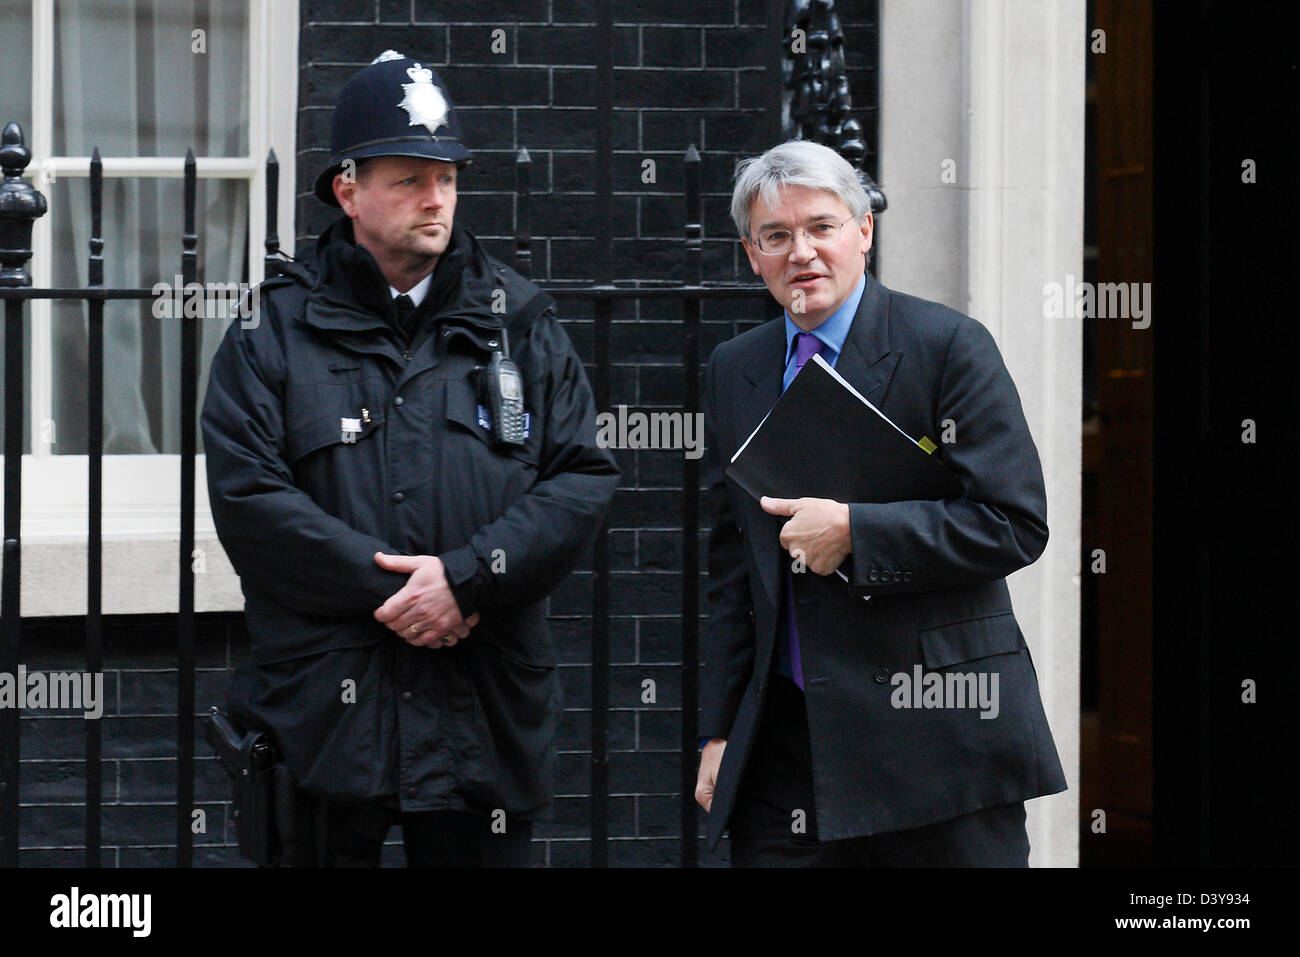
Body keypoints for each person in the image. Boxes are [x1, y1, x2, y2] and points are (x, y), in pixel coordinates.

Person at [202, 51, 618, 867]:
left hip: (483, 715)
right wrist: (406, 590)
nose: (437, 200)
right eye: (409, 179)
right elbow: (249, 498)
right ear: (347, 190)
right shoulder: (272, 333)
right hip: (325, 717)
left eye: (448, 178)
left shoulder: (522, 322)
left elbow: (581, 479)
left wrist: (466, 577)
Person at [694, 140, 1066, 866]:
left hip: (938, 744)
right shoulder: (734, 369)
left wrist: (859, 532)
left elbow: (1014, 522)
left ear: (864, 230)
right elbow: (731, 570)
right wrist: (720, 729)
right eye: (777, 236)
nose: (801, 252)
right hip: (788, 750)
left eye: (822, 226)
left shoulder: (948, 346)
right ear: (752, 254)